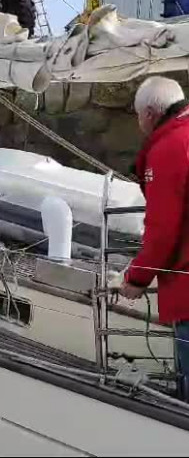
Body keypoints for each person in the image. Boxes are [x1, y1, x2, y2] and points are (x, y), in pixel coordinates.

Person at [119, 76, 189, 400]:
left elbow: (163, 229)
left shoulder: (169, 148)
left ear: (149, 113)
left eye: (137, 116)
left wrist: (137, 278)